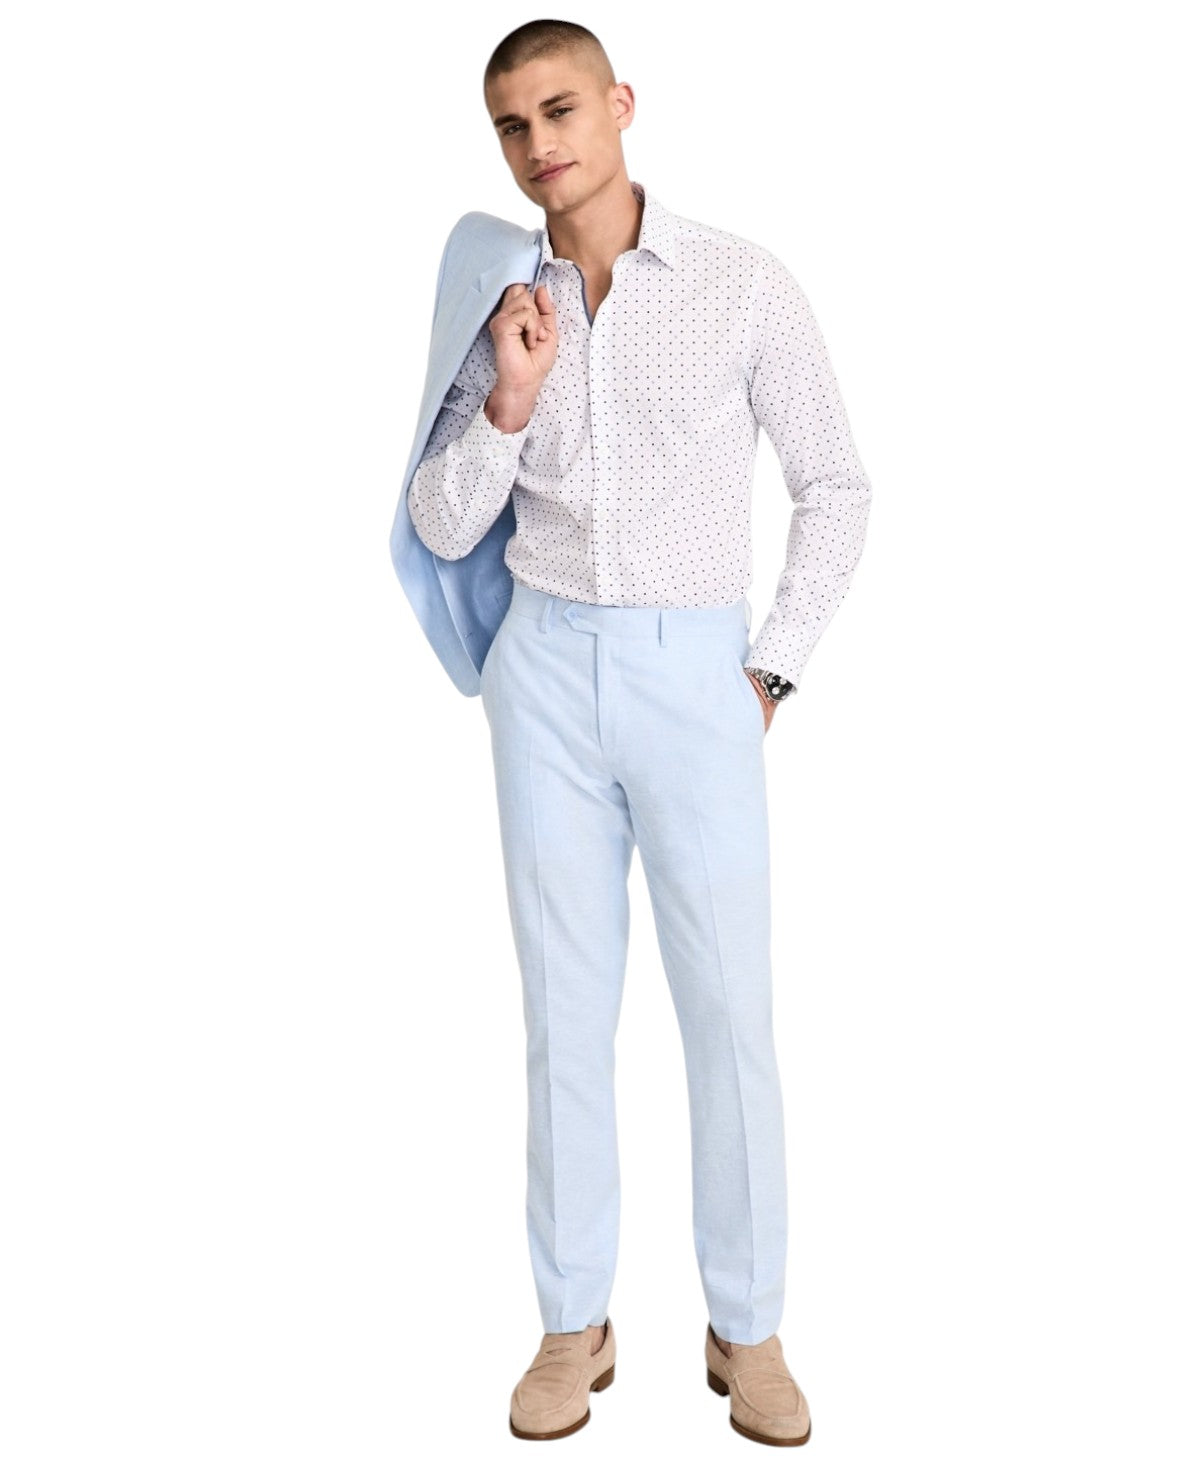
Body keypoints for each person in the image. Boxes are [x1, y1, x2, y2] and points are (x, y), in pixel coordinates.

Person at [406, 18, 872, 1446]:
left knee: (729, 1010)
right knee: (564, 1012)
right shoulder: (499, 297)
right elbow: (439, 524)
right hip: (543, 672)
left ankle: (750, 1326)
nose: (537, 144)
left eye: (559, 109)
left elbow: (837, 487)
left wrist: (767, 672)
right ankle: (573, 1324)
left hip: (695, 674)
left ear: (619, 105)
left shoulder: (741, 282)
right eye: (511, 124)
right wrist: (509, 397)